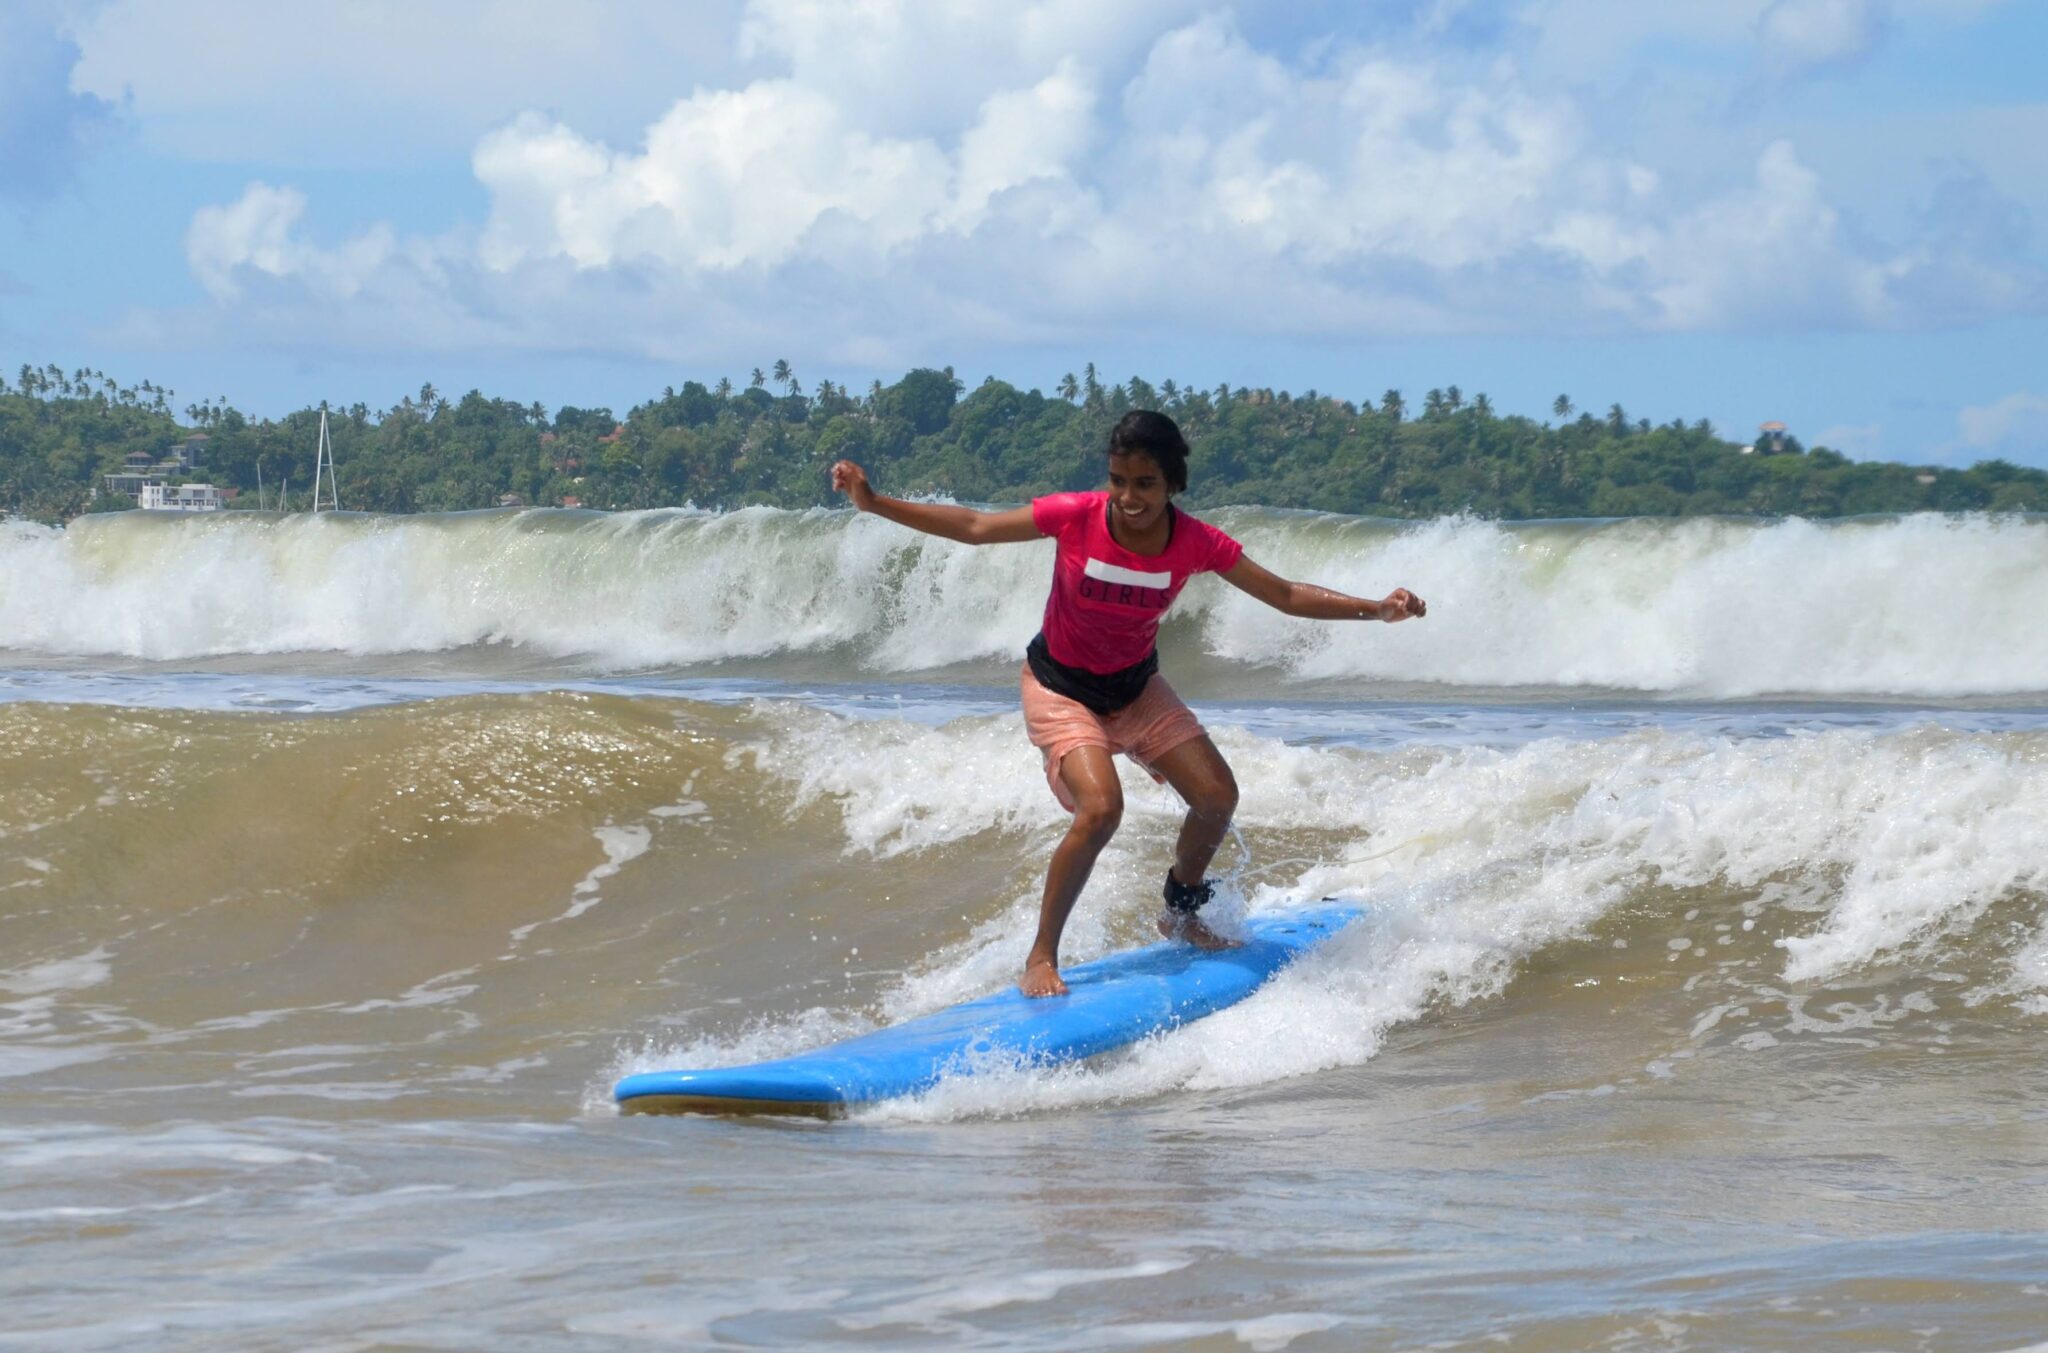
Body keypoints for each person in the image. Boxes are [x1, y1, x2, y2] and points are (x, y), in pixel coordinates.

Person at [831, 410, 1425, 997]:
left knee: (1217, 797)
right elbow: (976, 526)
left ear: (1172, 484)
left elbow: (1286, 594)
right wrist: (874, 502)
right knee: (1101, 810)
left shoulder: (1196, 542)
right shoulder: (1075, 515)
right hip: (1061, 688)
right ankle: (1041, 956)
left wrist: (1376, 609)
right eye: (1118, 480)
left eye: (1145, 484)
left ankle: (1180, 912)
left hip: (1136, 688)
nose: (1128, 497)